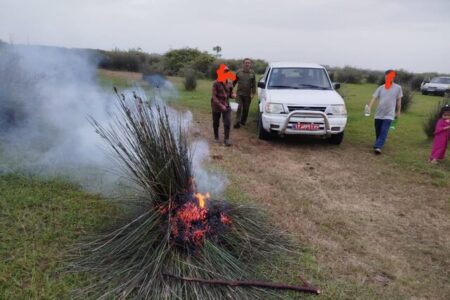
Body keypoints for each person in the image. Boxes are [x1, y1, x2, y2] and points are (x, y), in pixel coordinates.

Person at [366, 70, 403, 154]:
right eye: (387, 77)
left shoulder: (398, 88)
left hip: (389, 113)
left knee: (384, 129)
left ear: (393, 77)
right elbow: (374, 98)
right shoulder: (380, 88)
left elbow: (399, 101)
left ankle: (378, 147)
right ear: (385, 77)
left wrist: (398, 112)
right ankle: (379, 142)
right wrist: (369, 107)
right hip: (379, 113)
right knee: (378, 130)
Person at [211, 65, 235, 146]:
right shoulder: (216, 83)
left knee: (227, 122)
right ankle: (216, 136)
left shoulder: (230, 83)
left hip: (226, 105)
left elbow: (230, 95)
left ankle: (226, 139)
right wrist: (221, 106)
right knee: (216, 122)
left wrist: (233, 95)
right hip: (216, 105)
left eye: (227, 72)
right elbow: (214, 97)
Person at [233, 58, 256, 129]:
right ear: (243, 64)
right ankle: (237, 122)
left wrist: (253, 93)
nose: (247, 64)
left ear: (250, 64)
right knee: (239, 107)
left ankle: (243, 121)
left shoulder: (252, 73)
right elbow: (233, 82)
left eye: (248, 63)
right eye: (246, 62)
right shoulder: (238, 72)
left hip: (248, 95)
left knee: (246, 109)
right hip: (239, 94)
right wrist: (231, 91)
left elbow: (254, 84)